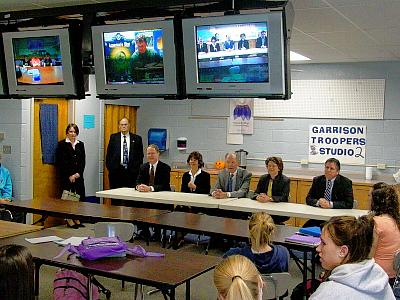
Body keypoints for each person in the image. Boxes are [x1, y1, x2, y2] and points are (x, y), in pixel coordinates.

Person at [310, 215, 395, 299]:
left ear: (343, 251)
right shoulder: (380, 278)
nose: (318, 248)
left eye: (323, 243)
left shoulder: (326, 294)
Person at [224, 212, 289, 274]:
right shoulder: (283, 253)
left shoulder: (233, 255)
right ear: (272, 231)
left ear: (250, 231)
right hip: (274, 285)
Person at [304, 158, 354, 227]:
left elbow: (349, 203)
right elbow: (308, 198)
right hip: (319, 217)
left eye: (331, 168)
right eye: (327, 167)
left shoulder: (345, 182)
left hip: (337, 219)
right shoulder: (317, 180)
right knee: (305, 228)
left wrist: (330, 204)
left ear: (337, 171)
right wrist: (319, 202)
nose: (328, 170)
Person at [106, 117, 143, 205]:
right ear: (119, 126)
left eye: (125, 124)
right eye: (122, 125)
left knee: (130, 199)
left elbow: (140, 156)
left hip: (131, 173)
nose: (124, 126)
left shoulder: (137, 139)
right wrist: (111, 168)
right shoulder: (113, 137)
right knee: (116, 199)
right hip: (116, 173)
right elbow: (109, 155)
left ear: (129, 125)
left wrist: (136, 169)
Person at [56, 123, 85, 228]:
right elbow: (61, 162)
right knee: (68, 198)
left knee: (78, 197)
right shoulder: (62, 144)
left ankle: (76, 217)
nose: (73, 134)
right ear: (67, 133)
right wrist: (70, 175)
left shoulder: (80, 144)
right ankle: (68, 218)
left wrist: (78, 174)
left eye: (74, 132)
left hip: (78, 176)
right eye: (71, 131)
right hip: (66, 177)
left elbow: (83, 161)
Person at [369, 184, 400, 286]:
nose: (368, 199)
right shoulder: (396, 220)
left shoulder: (377, 223)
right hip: (394, 274)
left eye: (370, 196)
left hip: (378, 274)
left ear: (375, 202)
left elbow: (369, 256)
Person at [252, 157, 290, 224]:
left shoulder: (285, 180)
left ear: (279, 168)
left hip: (278, 209)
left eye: (273, 166)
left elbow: (284, 197)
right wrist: (258, 197)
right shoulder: (263, 178)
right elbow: (255, 193)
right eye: (269, 166)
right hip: (263, 207)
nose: (271, 168)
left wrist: (269, 198)